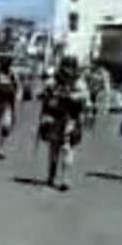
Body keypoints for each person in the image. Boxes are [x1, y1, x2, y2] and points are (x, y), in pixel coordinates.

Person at [38, 56, 89, 190]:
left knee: (67, 148)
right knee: (54, 148)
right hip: (55, 118)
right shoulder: (53, 81)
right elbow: (44, 95)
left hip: (71, 118)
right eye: (66, 67)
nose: (68, 70)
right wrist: (47, 98)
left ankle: (65, 178)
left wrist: (72, 97)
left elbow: (85, 97)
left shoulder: (79, 82)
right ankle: (51, 175)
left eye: (70, 67)